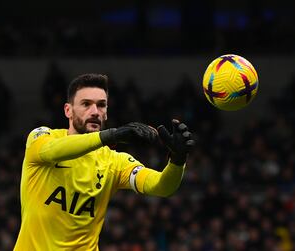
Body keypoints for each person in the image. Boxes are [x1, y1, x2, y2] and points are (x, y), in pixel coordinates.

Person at [14, 73, 194, 250]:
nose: (95, 112)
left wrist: (177, 162)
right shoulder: (41, 137)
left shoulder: (114, 162)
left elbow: (162, 187)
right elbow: (51, 150)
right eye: (86, 104)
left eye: (101, 105)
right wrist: (111, 135)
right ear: (68, 110)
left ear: (106, 112)